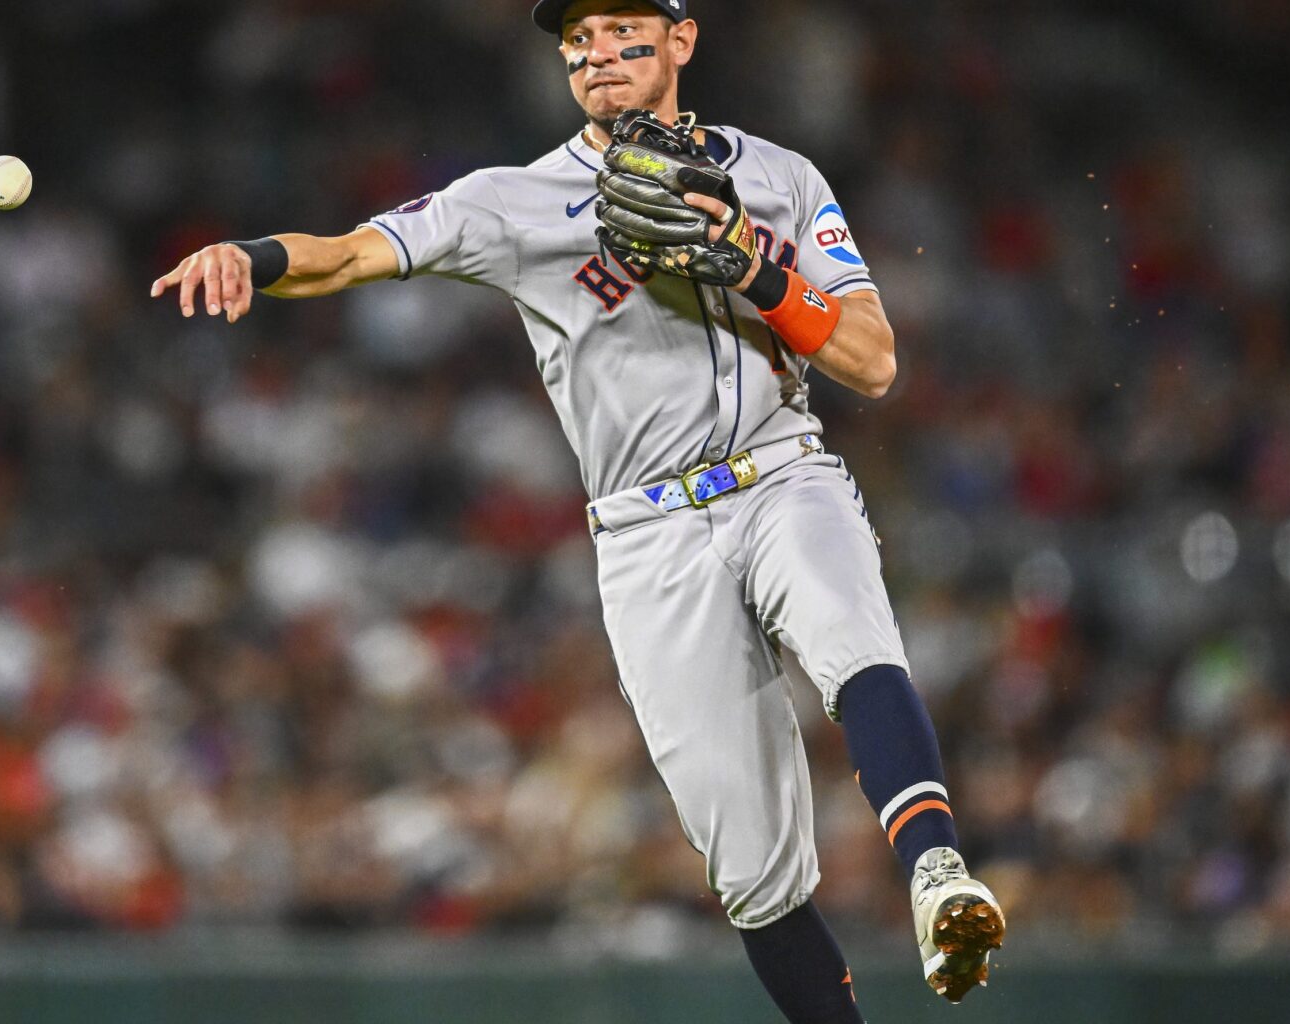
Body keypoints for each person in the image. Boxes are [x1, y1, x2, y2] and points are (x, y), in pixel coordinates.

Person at [150, 1, 1003, 1019]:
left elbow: (872, 360)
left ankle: (938, 872)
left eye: (621, 30)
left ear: (681, 42)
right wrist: (249, 254)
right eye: (576, 41)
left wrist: (754, 266)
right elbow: (343, 253)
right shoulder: (516, 201)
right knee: (749, 867)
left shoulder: (780, 178)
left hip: (781, 469)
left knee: (842, 623)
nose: (595, 53)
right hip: (645, 532)